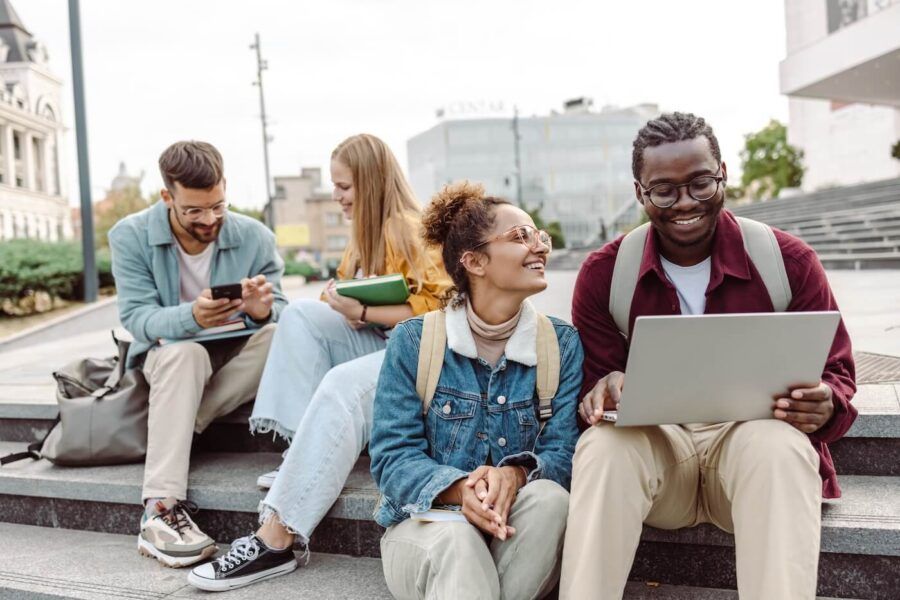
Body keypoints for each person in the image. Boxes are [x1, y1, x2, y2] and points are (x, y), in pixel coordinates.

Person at [559, 112, 857, 600]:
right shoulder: (604, 274)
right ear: (640, 193)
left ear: (723, 173)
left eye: (700, 183)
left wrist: (826, 402)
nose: (684, 203)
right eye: (664, 190)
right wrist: (604, 389)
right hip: (660, 464)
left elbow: (837, 374)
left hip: (751, 458)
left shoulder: (788, 261)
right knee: (602, 448)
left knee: (780, 448)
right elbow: (593, 387)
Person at [187, 134, 451, 591]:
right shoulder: (362, 237)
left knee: (343, 381)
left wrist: (364, 310)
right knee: (302, 313)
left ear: (369, 183)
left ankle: (277, 540)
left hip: (421, 357)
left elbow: (441, 310)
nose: (336, 196)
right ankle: (298, 450)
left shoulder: (413, 227)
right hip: (382, 342)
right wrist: (340, 298)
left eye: (344, 186)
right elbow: (351, 297)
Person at [369, 182, 583, 600]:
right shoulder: (414, 342)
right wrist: (463, 488)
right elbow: (393, 459)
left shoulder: (561, 344)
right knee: (458, 541)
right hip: (428, 528)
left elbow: (564, 452)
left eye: (540, 236)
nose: (539, 247)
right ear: (474, 261)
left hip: (517, 532)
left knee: (552, 500)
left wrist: (514, 474)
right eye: (521, 237)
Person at [108, 140, 287, 568]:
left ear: (225, 188)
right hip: (169, 357)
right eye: (194, 211)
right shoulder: (130, 235)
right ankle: (160, 509)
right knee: (186, 353)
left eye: (217, 206)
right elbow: (138, 319)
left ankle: (179, 420)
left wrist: (263, 312)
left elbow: (281, 306)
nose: (209, 220)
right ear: (167, 196)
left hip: (234, 357)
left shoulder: (254, 236)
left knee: (283, 333)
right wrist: (193, 317)